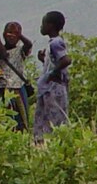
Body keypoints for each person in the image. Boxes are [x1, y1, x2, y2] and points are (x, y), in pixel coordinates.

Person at [33, 11, 72, 142]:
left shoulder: (56, 43)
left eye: (43, 23)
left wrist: (51, 74)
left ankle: (55, 141)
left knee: (56, 118)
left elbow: (66, 60)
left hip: (54, 89)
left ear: (50, 25)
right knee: (45, 116)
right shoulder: (52, 43)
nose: (41, 27)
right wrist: (43, 60)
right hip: (48, 89)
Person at [0, 22, 33, 131]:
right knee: (7, 117)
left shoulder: (20, 51)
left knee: (22, 117)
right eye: (9, 32)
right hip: (3, 88)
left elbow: (28, 44)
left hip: (18, 87)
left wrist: (20, 35)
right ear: (4, 34)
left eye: (15, 33)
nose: (12, 35)